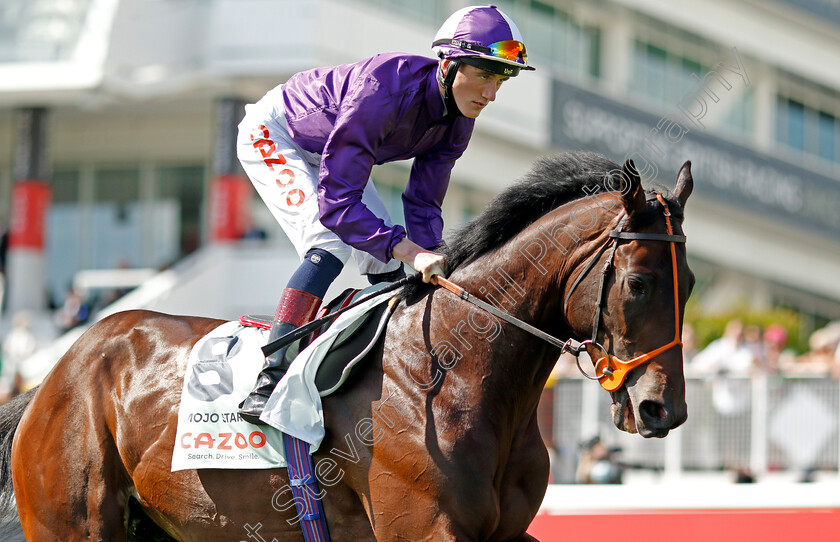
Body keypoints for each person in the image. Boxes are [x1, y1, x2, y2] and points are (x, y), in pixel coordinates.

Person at [235, 5, 535, 424]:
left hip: (331, 151)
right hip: (277, 133)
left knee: (385, 260)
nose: (491, 94)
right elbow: (337, 205)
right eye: (484, 75)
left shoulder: (459, 122)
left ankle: (382, 373)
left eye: (500, 80)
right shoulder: (381, 90)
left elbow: (424, 204)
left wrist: (434, 262)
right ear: (448, 65)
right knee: (329, 241)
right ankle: (270, 376)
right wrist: (410, 251)